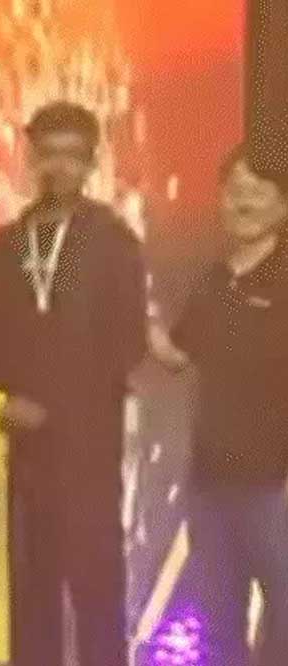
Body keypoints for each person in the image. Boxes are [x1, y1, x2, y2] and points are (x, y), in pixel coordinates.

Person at [0, 101, 147, 666]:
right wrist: (4, 401)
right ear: (31, 159)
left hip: (87, 454)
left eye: (73, 156)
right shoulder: (4, 245)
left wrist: (54, 411)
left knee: (97, 595)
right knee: (29, 598)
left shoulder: (114, 240)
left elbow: (127, 345)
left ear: (92, 162)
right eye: (48, 154)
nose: (59, 167)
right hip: (21, 456)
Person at [148, 148, 288, 666]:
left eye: (258, 191)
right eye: (234, 190)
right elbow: (178, 356)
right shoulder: (213, 279)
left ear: (284, 203)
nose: (243, 202)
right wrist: (135, 319)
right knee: (219, 620)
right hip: (211, 481)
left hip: (276, 484)